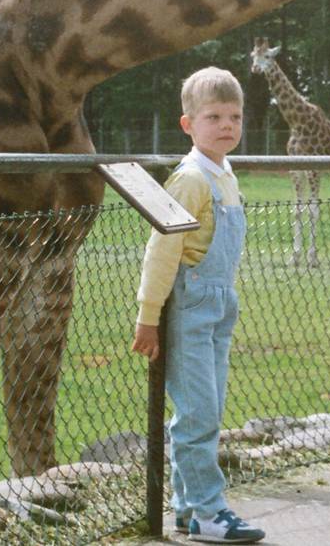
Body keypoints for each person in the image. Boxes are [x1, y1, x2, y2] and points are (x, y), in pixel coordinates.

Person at [132, 66, 265, 543]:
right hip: (188, 308)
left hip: (219, 305)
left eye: (235, 116)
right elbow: (162, 250)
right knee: (198, 414)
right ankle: (210, 511)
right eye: (213, 116)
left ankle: (187, 507)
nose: (226, 125)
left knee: (206, 408)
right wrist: (149, 318)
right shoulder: (191, 180)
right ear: (188, 124)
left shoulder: (225, 175)